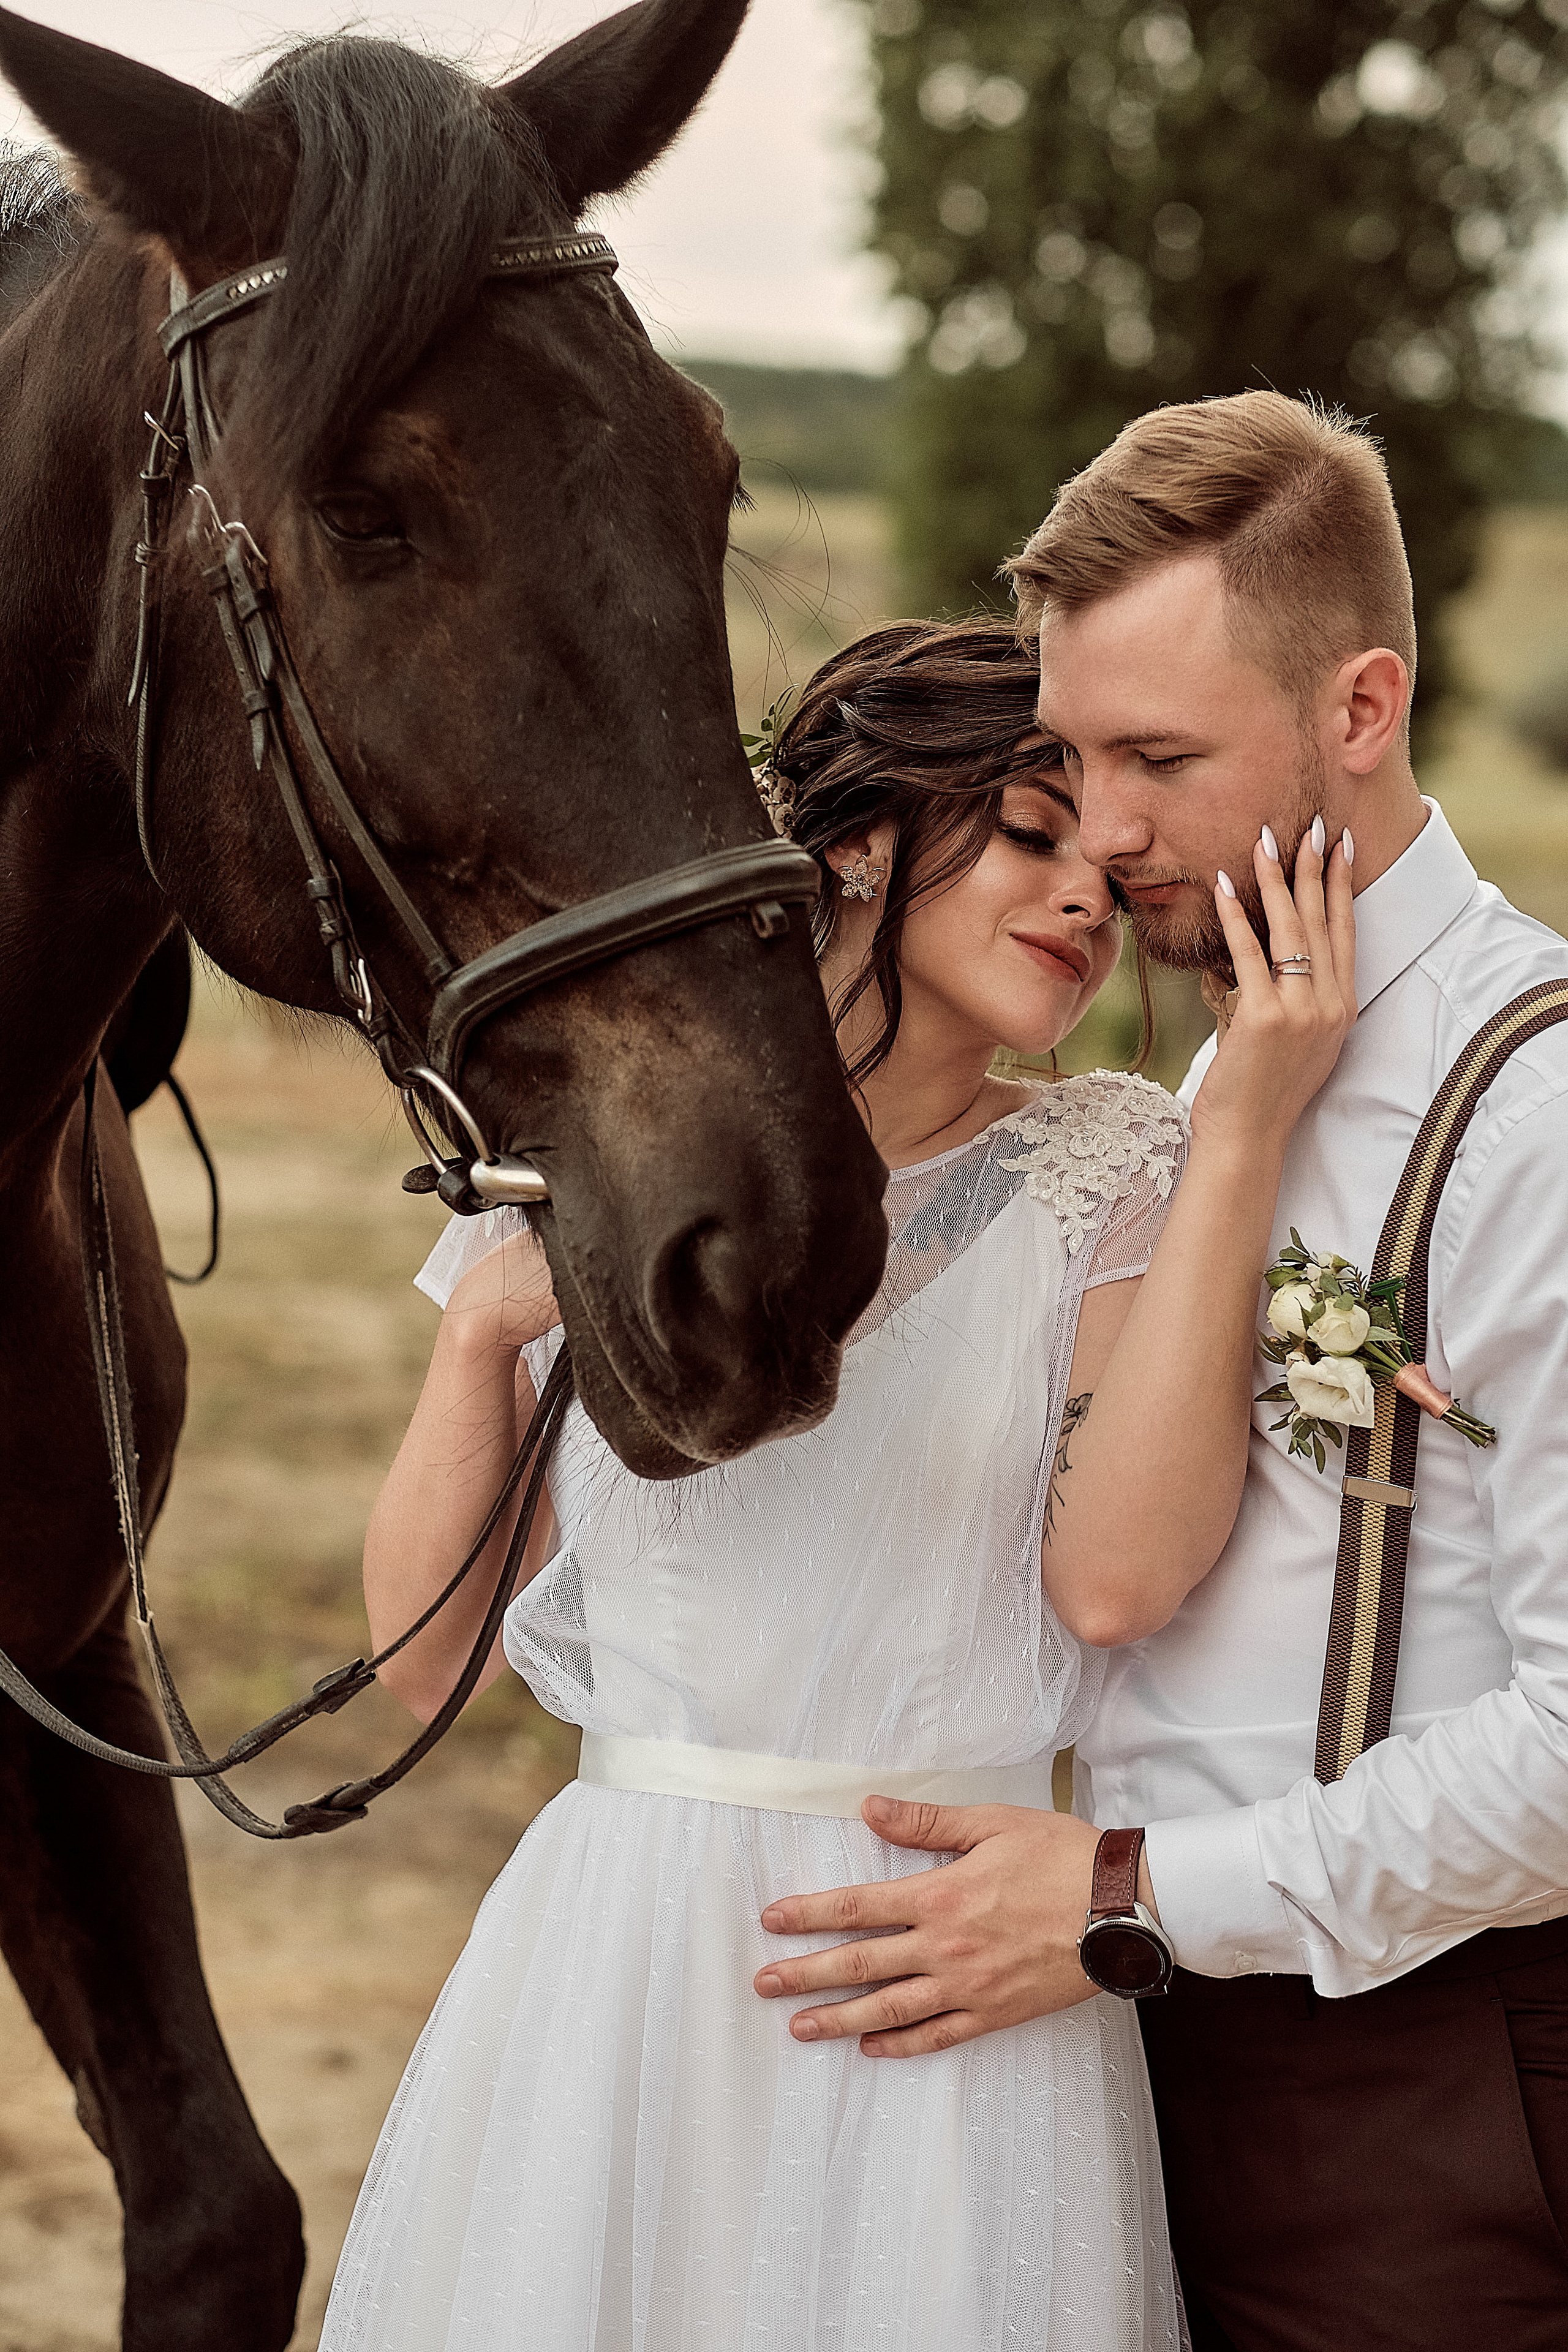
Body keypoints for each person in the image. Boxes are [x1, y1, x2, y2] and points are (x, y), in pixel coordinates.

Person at [320, 615, 1351, 2351]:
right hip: (622, 1966)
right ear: (861, 846)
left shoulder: (1113, 1169)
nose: (1088, 900)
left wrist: (1241, 1125)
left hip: (950, 1967)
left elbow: (1119, 1581)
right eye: (1031, 838)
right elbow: (427, 1665)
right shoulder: (620, 1141)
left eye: (1108, 870)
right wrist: (479, 1335)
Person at [753, 395, 1568, 2351]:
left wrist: (1132, 1892)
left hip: (1427, 2089)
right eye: (1075, 755)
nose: (1104, 835)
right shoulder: (1213, 1075)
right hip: (1118, 2064)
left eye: (1162, 760)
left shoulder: (1537, 1110)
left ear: (1362, 707)